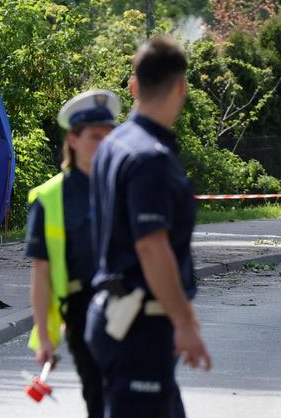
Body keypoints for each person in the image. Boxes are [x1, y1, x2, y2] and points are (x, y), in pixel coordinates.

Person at [85, 37, 212, 418]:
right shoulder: (150, 159)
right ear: (182, 87)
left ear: (133, 86)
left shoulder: (113, 144)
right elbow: (151, 248)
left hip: (114, 315)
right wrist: (184, 322)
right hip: (142, 326)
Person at [25, 90, 121, 418]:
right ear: (73, 139)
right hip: (81, 312)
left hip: (130, 303)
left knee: (135, 396)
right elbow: (41, 273)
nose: (103, 144)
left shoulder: (127, 187)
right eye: (95, 137)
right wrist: (45, 337)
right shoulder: (49, 197)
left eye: (109, 136)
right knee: (99, 396)